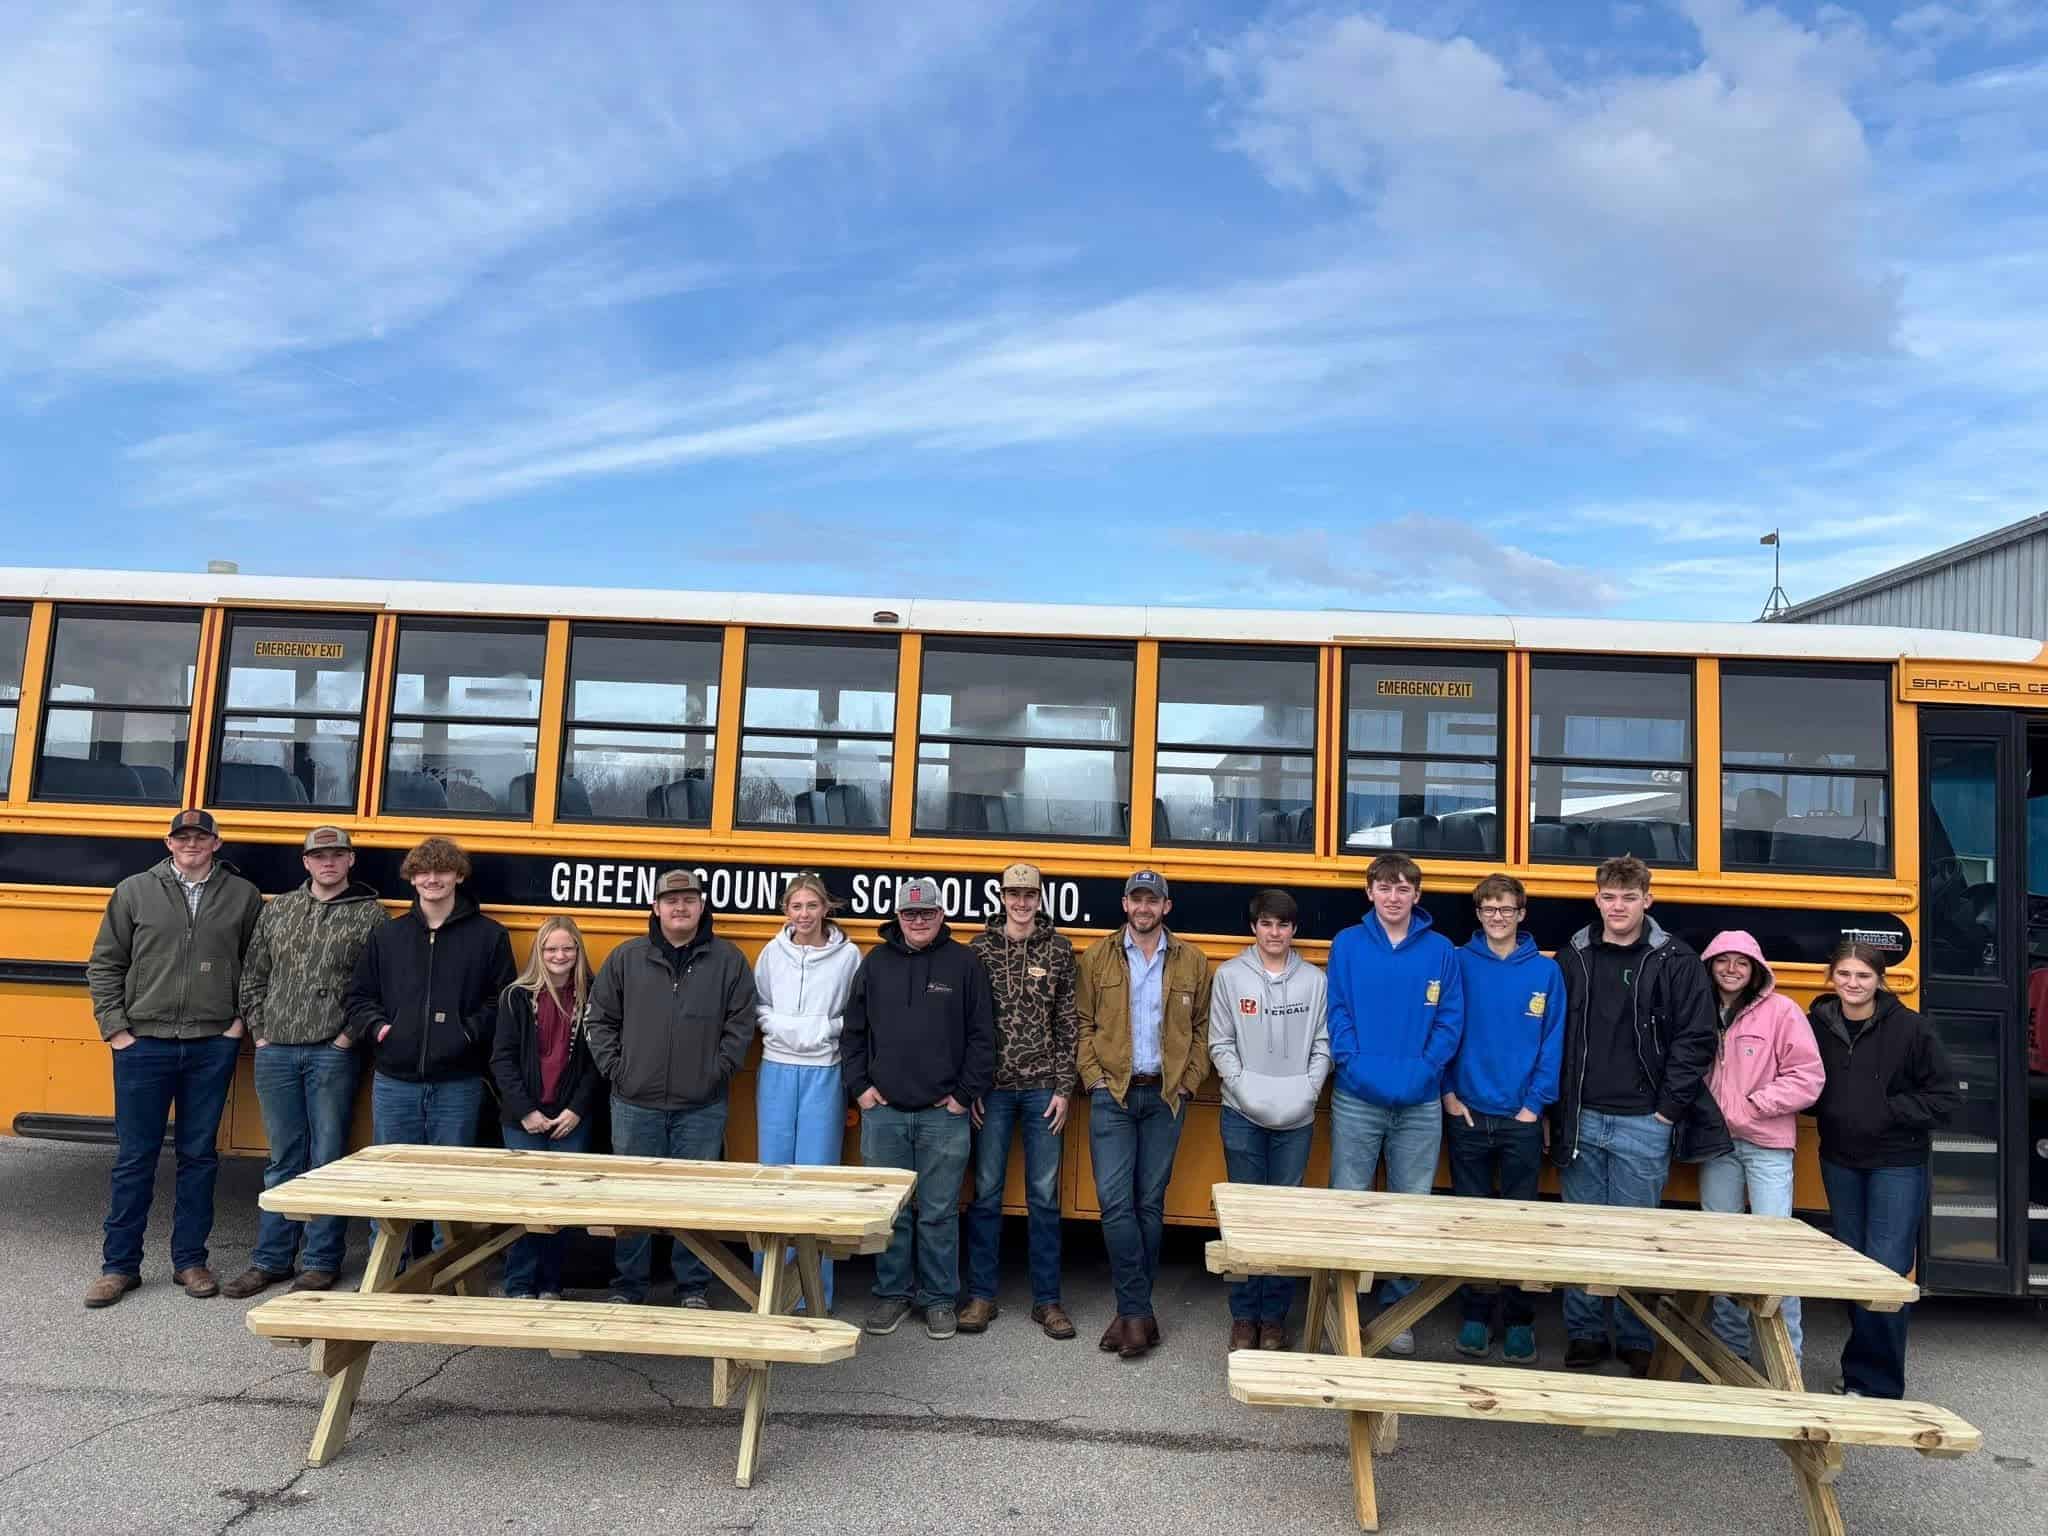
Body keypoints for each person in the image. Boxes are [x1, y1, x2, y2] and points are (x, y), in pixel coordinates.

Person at [1554, 855, 1728, 1375]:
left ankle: (1634, 1335)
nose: (1618, 907)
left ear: (1648, 901)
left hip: (1643, 1120)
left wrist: (1667, 1112)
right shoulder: (1575, 956)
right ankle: (1584, 1333)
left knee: (1637, 1237)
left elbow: (1696, 1039)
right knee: (1582, 1232)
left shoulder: (1675, 960)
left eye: (1629, 898)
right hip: (1582, 1114)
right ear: (1597, 899)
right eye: (1609, 897)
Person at [84, 809, 262, 1308]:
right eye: (182, 837)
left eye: (200, 837)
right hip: (144, 1044)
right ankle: (119, 1267)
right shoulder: (135, 890)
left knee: (199, 1156)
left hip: (211, 1044)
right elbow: (105, 962)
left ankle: (190, 1261)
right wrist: (116, 1029)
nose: (191, 844)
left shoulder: (242, 896)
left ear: (216, 844)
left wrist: (236, 1025)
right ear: (168, 843)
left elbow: (256, 965)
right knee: (135, 1158)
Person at [221, 826, 391, 1300]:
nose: (328, 863)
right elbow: (253, 975)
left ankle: (320, 1260)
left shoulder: (370, 916)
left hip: (331, 1054)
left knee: (327, 1158)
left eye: (337, 855)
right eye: (320, 856)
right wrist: (261, 1032)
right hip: (277, 1052)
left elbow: (376, 988)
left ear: (351, 861)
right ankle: (271, 1260)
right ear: (306, 863)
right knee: (282, 1159)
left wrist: (344, 1039)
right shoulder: (280, 912)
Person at [586, 868, 759, 1307]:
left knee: (694, 1199)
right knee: (632, 1200)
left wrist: (717, 1070)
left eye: (688, 900)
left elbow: (741, 1025)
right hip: (633, 1102)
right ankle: (629, 1286)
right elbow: (599, 1018)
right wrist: (616, 1069)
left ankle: (693, 1286)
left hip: (701, 1105)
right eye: (670, 900)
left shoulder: (729, 961)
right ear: (656, 907)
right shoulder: (627, 957)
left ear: (702, 906)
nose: (679, 907)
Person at [1325, 853, 1463, 1356]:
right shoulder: (1348, 944)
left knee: (1411, 1207)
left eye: (1404, 888)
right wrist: (1353, 1065)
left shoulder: (1441, 950)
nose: (1394, 896)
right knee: (1349, 1203)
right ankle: (1342, 1310)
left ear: (1417, 896)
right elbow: (1337, 1011)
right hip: (1357, 1096)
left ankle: (1398, 1313)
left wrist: (1426, 1070)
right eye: (1384, 887)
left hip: (1420, 1101)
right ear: (1369, 893)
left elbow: (1450, 1020)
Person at [846, 877, 995, 1342]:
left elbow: (982, 1037)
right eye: (910, 914)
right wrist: (862, 1090)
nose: (918, 921)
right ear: (898, 918)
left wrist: (963, 1096)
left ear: (941, 915)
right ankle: (892, 1293)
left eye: (926, 913)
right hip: (884, 1113)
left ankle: (938, 1299)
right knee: (892, 1211)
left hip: (942, 1115)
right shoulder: (875, 965)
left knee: (938, 1212)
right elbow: (852, 1034)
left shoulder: (965, 964)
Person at [1809, 942, 1959, 1399]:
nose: (1853, 984)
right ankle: (1859, 1372)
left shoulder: (1912, 1030)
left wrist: (1885, 1110)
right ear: (1831, 978)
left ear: (1880, 980)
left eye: (1863, 976)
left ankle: (1878, 1383)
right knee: (1856, 1267)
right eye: (1844, 975)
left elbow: (1946, 1098)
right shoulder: (1816, 1024)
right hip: (1840, 1159)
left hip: (1897, 1162)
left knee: (1887, 1270)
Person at [1076, 869, 1213, 1360]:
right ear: (1125, 904)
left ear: (1166, 907)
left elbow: (1201, 1030)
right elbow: (1082, 1025)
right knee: (1115, 1205)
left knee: (1149, 1204)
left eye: (1152, 900)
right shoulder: (1097, 957)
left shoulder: (1192, 961)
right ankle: (1138, 1312)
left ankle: (1132, 1313)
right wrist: (1092, 1079)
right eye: (1137, 899)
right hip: (1113, 1093)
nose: (1144, 907)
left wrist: (1189, 1082)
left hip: (1165, 1096)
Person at [1444, 873, 1564, 1363]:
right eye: (1489, 909)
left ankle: (1518, 1320)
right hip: (1467, 1112)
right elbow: (1444, 1028)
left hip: (1520, 1116)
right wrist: (1449, 1094)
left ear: (1522, 914)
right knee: (1471, 1221)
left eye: (1507, 909)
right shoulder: (1456, 962)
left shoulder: (1545, 972)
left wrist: (1534, 1106)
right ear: (1478, 914)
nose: (1498, 917)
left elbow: (1553, 1042)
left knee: (1521, 1224)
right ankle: (1474, 1315)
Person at [963, 863, 1081, 1340]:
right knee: (986, 1195)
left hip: (1041, 1092)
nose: (1021, 902)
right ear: (1002, 896)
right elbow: (966, 1023)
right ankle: (981, 1297)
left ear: (1039, 898)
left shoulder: (1059, 950)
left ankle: (1047, 1302)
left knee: (1045, 1198)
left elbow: (1069, 1021)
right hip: (991, 1091)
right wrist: (970, 1087)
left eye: (1029, 894)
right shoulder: (978, 950)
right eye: (1013, 893)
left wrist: (1064, 1089)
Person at [1208, 888, 1329, 1353]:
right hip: (1242, 1114)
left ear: (1293, 930)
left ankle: (1274, 1317)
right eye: (1265, 924)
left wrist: (1308, 1089)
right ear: (1253, 927)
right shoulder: (1232, 977)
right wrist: (1245, 1088)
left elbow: (1324, 1044)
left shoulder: (1314, 981)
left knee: (1284, 1217)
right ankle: (1244, 1315)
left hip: (1296, 1116)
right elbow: (1220, 1043)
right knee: (1243, 1217)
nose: (1274, 933)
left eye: (1282, 925)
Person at [1697, 930, 1825, 1365]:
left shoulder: (1782, 1012)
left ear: (1756, 970)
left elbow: (1808, 1077)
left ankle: (1786, 1357)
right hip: (1717, 1145)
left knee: (1774, 1250)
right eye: (1722, 961)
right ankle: (1728, 1354)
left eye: (1742, 962)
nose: (1731, 970)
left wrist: (1756, 1104)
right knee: (1720, 1247)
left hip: (1767, 1143)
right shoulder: (1699, 1010)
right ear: (1710, 965)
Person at [346, 837, 515, 1165]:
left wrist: (466, 1034)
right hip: (395, 1082)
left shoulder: (489, 936)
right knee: (389, 1181)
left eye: (443, 871)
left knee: (448, 1181)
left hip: (459, 1082)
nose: (432, 879)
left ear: (459, 877)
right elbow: (359, 996)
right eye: (423, 872)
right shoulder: (388, 936)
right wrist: (381, 1029)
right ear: (411, 877)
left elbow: (503, 1001)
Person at [753, 874, 861, 1312]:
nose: (803, 915)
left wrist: (823, 1031)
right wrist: (780, 1027)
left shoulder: (848, 955)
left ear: (825, 909)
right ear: (786, 911)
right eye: (795, 906)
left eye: (811, 906)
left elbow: (853, 1013)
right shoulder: (770, 953)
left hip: (824, 1071)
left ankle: (812, 1298)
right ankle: (769, 1292)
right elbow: (759, 1004)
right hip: (776, 1069)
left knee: (817, 1180)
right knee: (772, 1179)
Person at [490, 915, 601, 1300]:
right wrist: (525, 1110)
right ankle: (519, 1283)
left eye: (567, 948)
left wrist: (577, 1110)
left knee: (560, 1204)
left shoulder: (593, 996)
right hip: (525, 1118)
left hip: (571, 1117)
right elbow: (502, 1059)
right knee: (525, 1202)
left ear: (578, 951)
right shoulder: (516, 997)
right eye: (551, 948)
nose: (559, 955)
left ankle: (552, 1283)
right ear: (539, 951)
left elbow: (597, 1062)